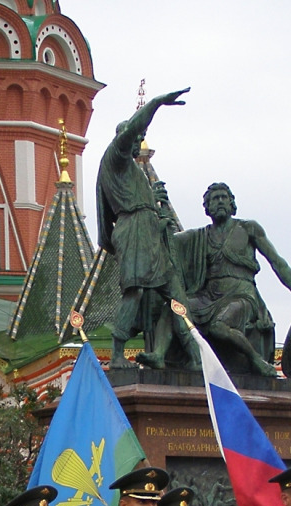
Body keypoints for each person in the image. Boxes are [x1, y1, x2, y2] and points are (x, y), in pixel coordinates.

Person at [96, 87, 199, 370]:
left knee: (175, 294)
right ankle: (118, 353)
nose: (138, 142)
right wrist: (156, 103)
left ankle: (194, 353)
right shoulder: (115, 158)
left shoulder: (131, 169)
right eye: (135, 138)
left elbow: (144, 206)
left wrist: (159, 215)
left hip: (147, 229)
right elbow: (132, 127)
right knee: (136, 291)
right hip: (135, 230)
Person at [174, 183, 289, 377]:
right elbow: (170, 241)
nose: (219, 202)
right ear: (207, 207)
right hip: (208, 296)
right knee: (176, 309)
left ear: (232, 203)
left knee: (218, 327)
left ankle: (255, 360)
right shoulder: (200, 236)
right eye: (214, 199)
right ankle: (190, 359)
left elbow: (278, 263)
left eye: (223, 197)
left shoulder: (248, 228)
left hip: (241, 295)